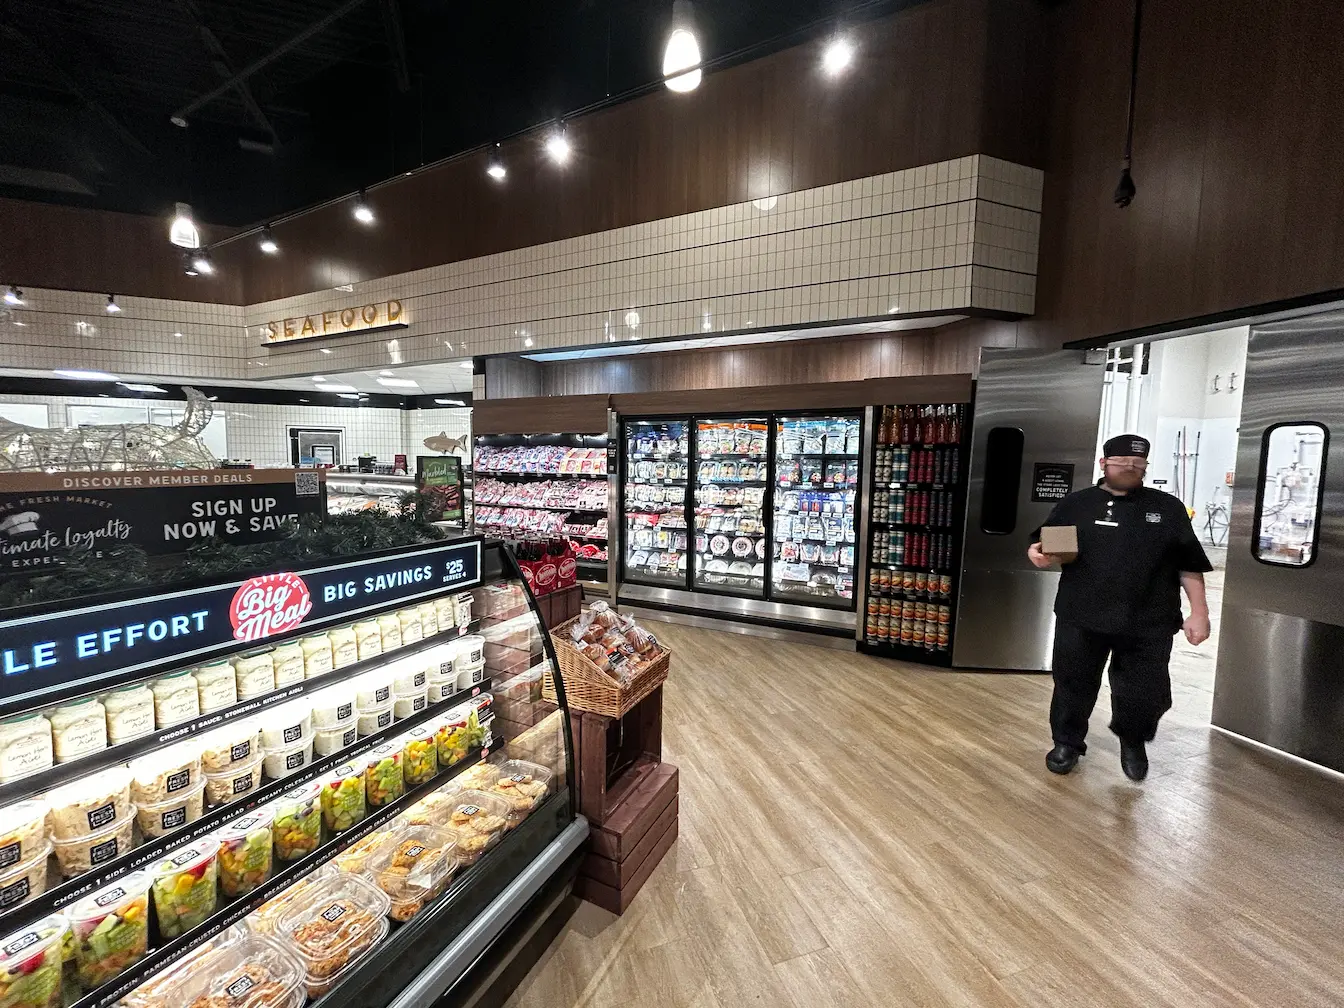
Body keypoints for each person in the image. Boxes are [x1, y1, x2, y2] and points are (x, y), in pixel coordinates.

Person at [1027, 434, 1212, 781]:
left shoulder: (1168, 508)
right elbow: (1047, 544)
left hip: (1148, 620)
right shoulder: (1077, 504)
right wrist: (1037, 553)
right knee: (1072, 684)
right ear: (1104, 464)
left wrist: (1199, 612)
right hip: (1081, 614)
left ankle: (1133, 740)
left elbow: (1189, 563)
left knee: (1143, 690)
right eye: (1122, 462)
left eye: (1138, 464)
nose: (1130, 468)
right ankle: (1067, 743)